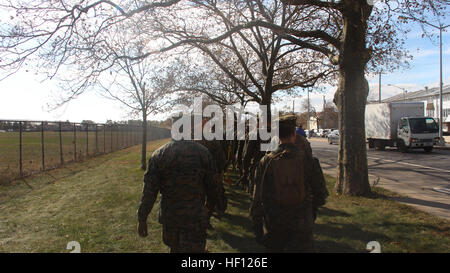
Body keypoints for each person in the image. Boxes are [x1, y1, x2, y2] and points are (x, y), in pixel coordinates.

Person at [137, 115, 219, 253]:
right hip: (195, 217)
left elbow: (149, 192)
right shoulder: (203, 153)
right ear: (189, 129)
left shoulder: (160, 155)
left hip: (171, 217)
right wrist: (208, 210)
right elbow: (213, 187)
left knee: (174, 249)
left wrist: (142, 218)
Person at [250, 115, 327, 252]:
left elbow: (257, 198)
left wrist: (257, 228)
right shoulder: (309, 160)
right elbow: (321, 195)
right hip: (302, 223)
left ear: (277, 136)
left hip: (275, 222)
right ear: (294, 134)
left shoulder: (266, 161)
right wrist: (310, 212)